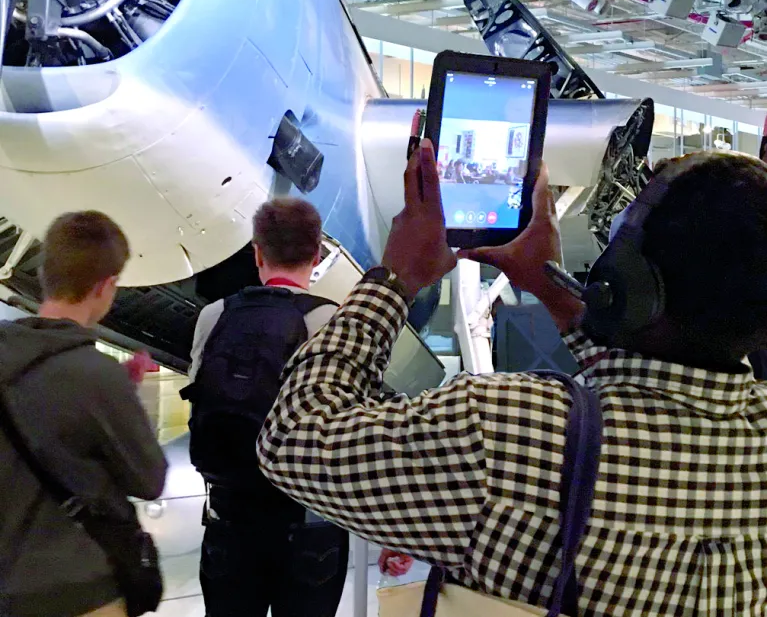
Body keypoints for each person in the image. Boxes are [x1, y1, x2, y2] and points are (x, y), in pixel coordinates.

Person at [259, 144, 767, 615]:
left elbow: (294, 437)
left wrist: (393, 280)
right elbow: (650, 380)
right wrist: (557, 292)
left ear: (624, 279)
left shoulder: (502, 432)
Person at [184, 197, 349, 617]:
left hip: (229, 516)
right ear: (317, 255)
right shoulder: (332, 321)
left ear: (257, 253)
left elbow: (198, 391)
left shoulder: (215, 315)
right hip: (309, 522)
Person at [0, 211, 167, 617]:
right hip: (78, 589)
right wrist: (121, 400)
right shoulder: (97, 376)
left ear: (46, 273)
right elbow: (149, 480)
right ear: (105, 286)